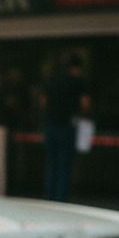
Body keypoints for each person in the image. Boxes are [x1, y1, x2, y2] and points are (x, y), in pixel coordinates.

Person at [41, 53, 91, 201]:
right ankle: (60, 198)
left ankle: (49, 194)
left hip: (50, 125)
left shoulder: (52, 80)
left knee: (51, 162)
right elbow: (85, 103)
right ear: (77, 68)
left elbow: (43, 101)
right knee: (65, 163)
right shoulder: (78, 83)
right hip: (68, 126)